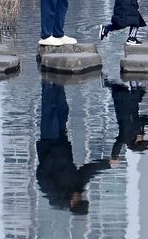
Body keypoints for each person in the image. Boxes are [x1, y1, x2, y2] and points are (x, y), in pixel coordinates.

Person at [36, 79, 111, 215]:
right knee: (63, 109)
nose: (80, 195)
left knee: (50, 109)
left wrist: (50, 156)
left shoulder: (55, 196)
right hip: (62, 141)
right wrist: (107, 164)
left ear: (73, 203)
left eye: (79, 199)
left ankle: (46, 78)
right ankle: (57, 77)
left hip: (49, 142)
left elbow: (41, 176)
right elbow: (88, 171)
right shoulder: (77, 186)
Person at [105, 79, 148, 165]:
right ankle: (133, 83)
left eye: (142, 139)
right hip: (131, 101)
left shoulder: (126, 137)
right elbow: (140, 120)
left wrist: (114, 156)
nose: (143, 137)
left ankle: (130, 83)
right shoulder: (138, 130)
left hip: (123, 101)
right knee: (138, 93)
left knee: (129, 92)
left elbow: (118, 144)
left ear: (137, 141)